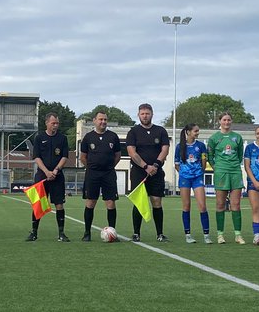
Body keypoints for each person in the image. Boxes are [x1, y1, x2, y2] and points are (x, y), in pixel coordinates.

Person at [125, 103, 171, 242]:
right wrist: (145, 166)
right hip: (139, 172)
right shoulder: (133, 132)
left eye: (147, 113)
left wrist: (155, 165)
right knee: (139, 202)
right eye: (142, 114)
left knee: (156, 201)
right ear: (138, 115)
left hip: (156, 172)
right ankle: (136, 233)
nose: (145, 116)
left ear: (152, 114)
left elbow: (165, 149)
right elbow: (132, 152)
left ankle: (160, 234)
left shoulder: (161, 131)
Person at [27, 112, 70, 242]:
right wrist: (46, 171)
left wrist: (56, 170)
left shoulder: (62, 138)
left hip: (57, 176)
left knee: (59, 204)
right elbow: (36, 157)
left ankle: (61, 234)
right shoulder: (39, 138)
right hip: (42, 176)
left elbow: (64, 156)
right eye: (53, 123)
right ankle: (34, 233)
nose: (55, 125)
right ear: (46, 123)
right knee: (38, 205)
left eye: (57, 123)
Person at [80, 110, 122, 241]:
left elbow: (118, 156)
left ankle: (112, 233)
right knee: (91, 202)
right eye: (100, 119)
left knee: (110, 203)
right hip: (92, 174)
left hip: (108, 173)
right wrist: (92, 167)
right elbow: (83, 157)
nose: (103, 122)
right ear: (94, 121)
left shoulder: (113, 136)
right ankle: (87, 233)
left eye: (105, 119)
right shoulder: (88, 137)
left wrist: (109, 166)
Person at [206, 113, 245, 244]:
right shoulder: (214, 138)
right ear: (220, 121)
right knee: (220, 204)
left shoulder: (237, 137)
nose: (226, 122)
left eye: (229, 120)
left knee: (236, 204)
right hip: (221, 172)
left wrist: (233, 165)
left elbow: (240, 155)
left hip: (235, 172)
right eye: (224, 120)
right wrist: (217, 167)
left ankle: (238, 235)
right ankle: (220, 235)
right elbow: (210, 156)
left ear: (231, 121)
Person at [175, 123, 210, 244]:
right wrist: (184, 173)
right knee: (186, 206)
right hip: (184, 179)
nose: (197, 133)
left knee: (202, 206)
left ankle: (206, 235)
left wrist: (199, 172)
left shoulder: (201, 145)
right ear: (188, 132)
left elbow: (204, 161)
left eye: (198, 131)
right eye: (195, 131)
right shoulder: (179, 147)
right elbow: (176, 164)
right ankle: (188, 235)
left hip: (197, 178)